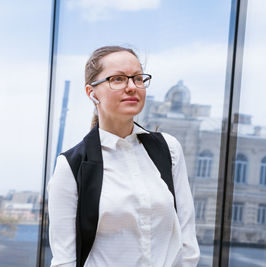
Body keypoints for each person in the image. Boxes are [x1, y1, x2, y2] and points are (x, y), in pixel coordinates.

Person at [47, 45, 200, 267]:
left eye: (137, 78)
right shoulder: (72, 165)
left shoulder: (169, 149)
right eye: (118, 79)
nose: (131, 87)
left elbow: (187, 240)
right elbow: (65, 261)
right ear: (92, 93)